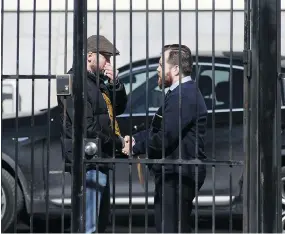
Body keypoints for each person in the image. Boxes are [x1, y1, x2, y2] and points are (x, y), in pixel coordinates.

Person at [122, 44, 208, 233]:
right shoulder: (177, 94)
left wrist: (136, 147)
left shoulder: (184, 96)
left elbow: (165, 137)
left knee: (171, 228)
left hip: (179, 173)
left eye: (161, 65)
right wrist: (136, 140)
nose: (157, 69)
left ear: (176, 69)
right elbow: (159, 129)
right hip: (172, 172)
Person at [57, 35, 127, 233]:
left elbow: (119, 108)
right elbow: (86, 126)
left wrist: (116, 84)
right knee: (88, 226)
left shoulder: (97, 82)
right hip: (87, 162)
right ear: (89, 56)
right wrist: (118, 142)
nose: (109, 63)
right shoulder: (71, 81)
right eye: (106, 57)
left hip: (101, 158)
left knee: (100, 222)